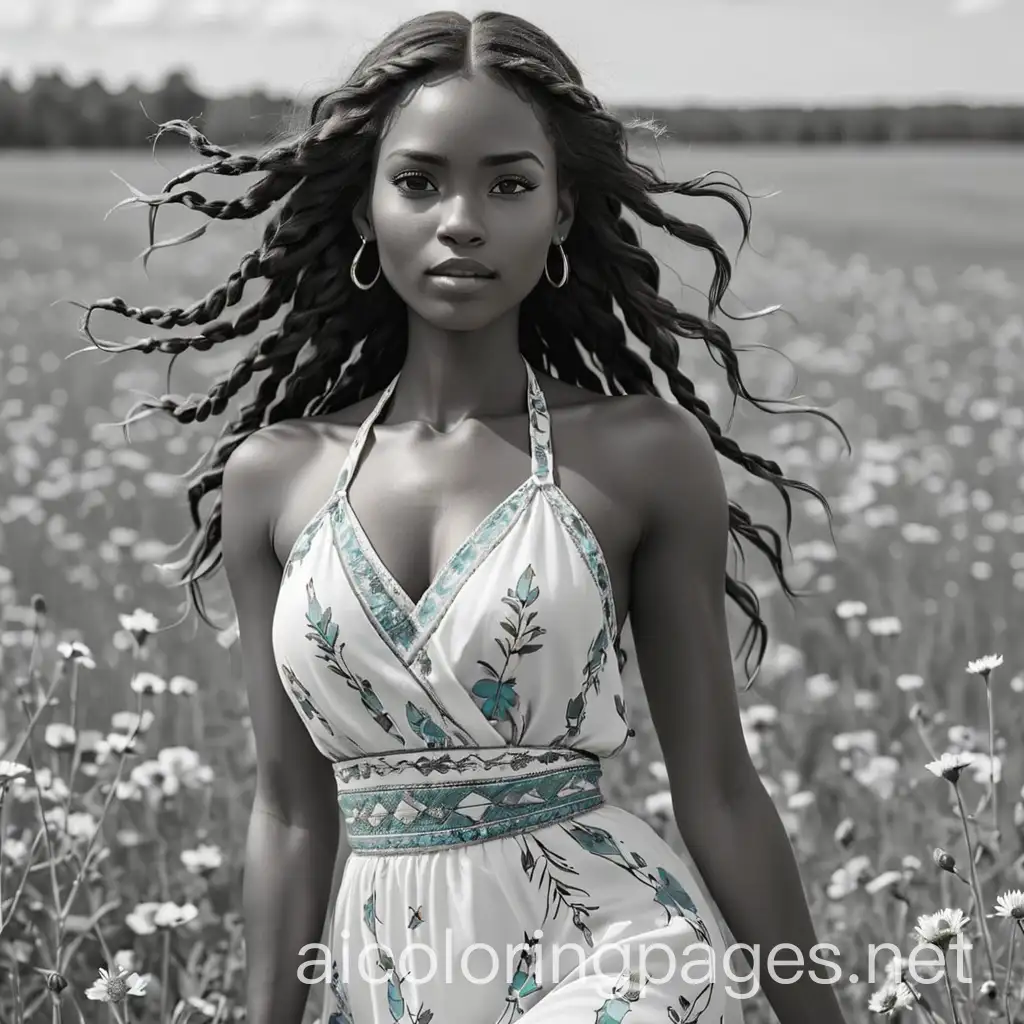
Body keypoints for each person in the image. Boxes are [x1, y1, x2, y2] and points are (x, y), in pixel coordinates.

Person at [79, 11, 852, 1023]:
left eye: (510, 183)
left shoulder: (644, 455)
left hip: (618, 950)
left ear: (563, 212)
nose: (462, 219)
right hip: (392, 978)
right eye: (418, 181)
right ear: (365, 211)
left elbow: (716, 788)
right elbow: (290, 811)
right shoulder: (270, 479)